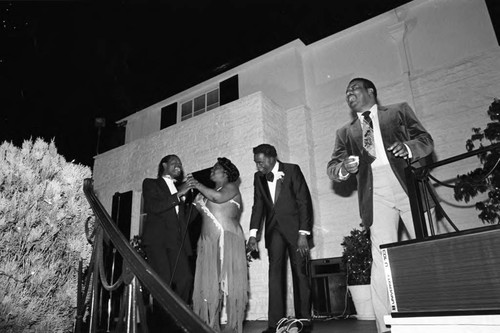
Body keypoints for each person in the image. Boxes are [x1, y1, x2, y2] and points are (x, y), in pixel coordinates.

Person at [327, 78, 434, 333]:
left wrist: (408, 148)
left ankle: (435, 315)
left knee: (428, 248)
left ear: (371, 91)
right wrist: (344, 168)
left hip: (408, 183)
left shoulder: (398, 111)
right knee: (381, 257)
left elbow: (425, 140)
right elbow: (332, 167)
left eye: (354, 89)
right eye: (346, 92)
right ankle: (385, 325)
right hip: (375, 193)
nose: (349, 94)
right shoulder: (345, 132)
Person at [246, 144, 313, 333]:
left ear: (272, 157)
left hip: (296, 231)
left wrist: (303, 234)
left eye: (260, 162)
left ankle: (304, 321)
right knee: (274, 274)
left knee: (300, 273)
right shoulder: (258, 177)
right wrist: (253, 235)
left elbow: (304, 202)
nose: (258, 167)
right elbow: (258, 205)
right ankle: (275, 323)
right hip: (274, 231)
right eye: (256, 163)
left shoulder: (292, 170)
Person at [188, 157, 248, 333]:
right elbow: (193, 214)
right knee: (208, 285)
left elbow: (218, 197)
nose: (212, 171)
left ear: (227, 173)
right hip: (208, 243)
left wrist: (198, 185)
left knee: (230, 285)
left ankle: (232, 327)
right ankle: (209, 325)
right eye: (212, 168)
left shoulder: (231, 187)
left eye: (216, 168)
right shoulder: (204, 194)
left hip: (227, 241)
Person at [142, 155, 196, 331]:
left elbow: (182, 221)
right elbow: (154, 207)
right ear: (164, 165)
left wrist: (195, 206)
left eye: (180, 163)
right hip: (158, 242)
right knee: (163, 284)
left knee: (185, 279)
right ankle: (161, 327)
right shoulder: (151, 183)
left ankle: (174, 319)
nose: (179, 165)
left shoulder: (180, 190)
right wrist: (180, 193)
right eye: (174, 162)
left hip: (176, 243)